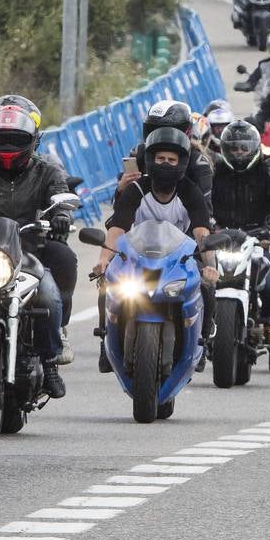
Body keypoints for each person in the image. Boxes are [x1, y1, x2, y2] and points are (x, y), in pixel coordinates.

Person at [0, 104, 74, 397]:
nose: (8, 146)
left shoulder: (46, 171)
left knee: (49, 293)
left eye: (16, 138)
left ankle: (49, 363)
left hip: (28, 252)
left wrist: (60, 217)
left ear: (33, 140)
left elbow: (60, 199)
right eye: (1, 137)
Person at [94, 127, 216, 371]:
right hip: (137, 256)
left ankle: (202, 340)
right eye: (160, 159)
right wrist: (103, 259)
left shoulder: (190, 191)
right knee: (107, 284)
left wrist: (211, 266)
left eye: (172, 160)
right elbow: (118, 226)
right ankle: (105, 338)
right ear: (150, 160)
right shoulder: (136, 189)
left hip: (180, 259)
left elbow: (202, 232)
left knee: (207, 287)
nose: (166, 164)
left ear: (181, 163)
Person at [210, 121, 270, 346]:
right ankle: (195, 325)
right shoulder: (215, 172)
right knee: (196, 281)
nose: (239, 153)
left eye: (243, 148)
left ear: (253, 147)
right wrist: (205, 225)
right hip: (219, 238)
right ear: (225, 149)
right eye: (234, 148)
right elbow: (200, 200)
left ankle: (269, 323)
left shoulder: (268, 171)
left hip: (256, 239)